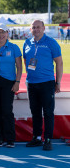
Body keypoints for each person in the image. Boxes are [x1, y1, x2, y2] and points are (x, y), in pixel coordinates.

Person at [23, 20, 63, 151]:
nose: (36, 29)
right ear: (30, 29)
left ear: (44, 28)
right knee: (35, 112)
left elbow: (59, 63)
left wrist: (58, 82)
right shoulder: (27, 43)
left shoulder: (51, 42)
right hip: (32, 83)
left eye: (38, 27)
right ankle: (37, 138)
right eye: (33, 27)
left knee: (48, 112)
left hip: (47, 83)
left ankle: (48, 139)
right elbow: (25, 60)